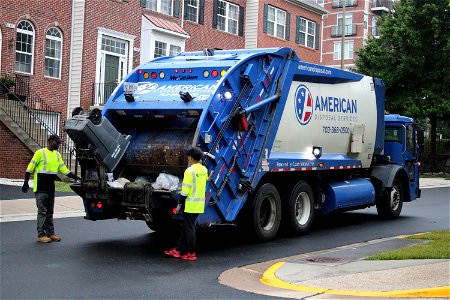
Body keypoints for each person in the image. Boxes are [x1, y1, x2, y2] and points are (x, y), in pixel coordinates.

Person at [21, 134, 79, 243]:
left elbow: (64, 170)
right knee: (42, 211)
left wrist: (77, 178)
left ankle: (50, 233)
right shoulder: (40, 153)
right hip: (41, 188)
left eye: (59, 143)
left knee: (50, 212)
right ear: (50, 141)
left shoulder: (57, 155)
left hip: (50, 188)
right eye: (57, 143)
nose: (58, 145)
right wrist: (25, 182)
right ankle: (41, 235)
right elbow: (30, 168)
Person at [164, 147, 208, 261]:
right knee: (186, 227)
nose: (188, 158)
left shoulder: (189, 171)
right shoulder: (204, 170)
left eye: (188, 156)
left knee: (189, 228)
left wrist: (179, 205)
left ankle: (191, 253)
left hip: (190, 205)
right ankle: (178, 250)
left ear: (191, 157)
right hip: (199, 204)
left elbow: (185, 191)